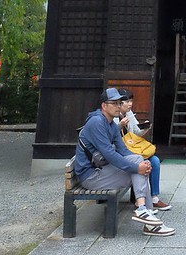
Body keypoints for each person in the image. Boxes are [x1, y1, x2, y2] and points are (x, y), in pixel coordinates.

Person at [74, 87, 176, 237]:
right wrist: (137, 167)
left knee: (138, 163)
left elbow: (124, 151)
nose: (118, 106)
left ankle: (143, 211)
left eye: (119, 102)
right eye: (114, 103)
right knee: (137, 170)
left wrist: (142, 163)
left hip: (103, 170)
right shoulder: (96, 122)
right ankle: (146, 217)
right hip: (91, 176)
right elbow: (110, 154)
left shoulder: (111, 125)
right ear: (104, 105)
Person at [117, 88, 172, 212]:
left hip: (133, 148)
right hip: (123, 153)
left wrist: (146, 127)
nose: (130, 104)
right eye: (127, 101)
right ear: (118, 103)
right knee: (145, 162)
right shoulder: (114, 117)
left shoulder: (129, 114)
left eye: (131, 101)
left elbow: (136, 132)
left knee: (155, 161)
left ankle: (154, 197)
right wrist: (119, 125)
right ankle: (141, 200)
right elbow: (109, 136)